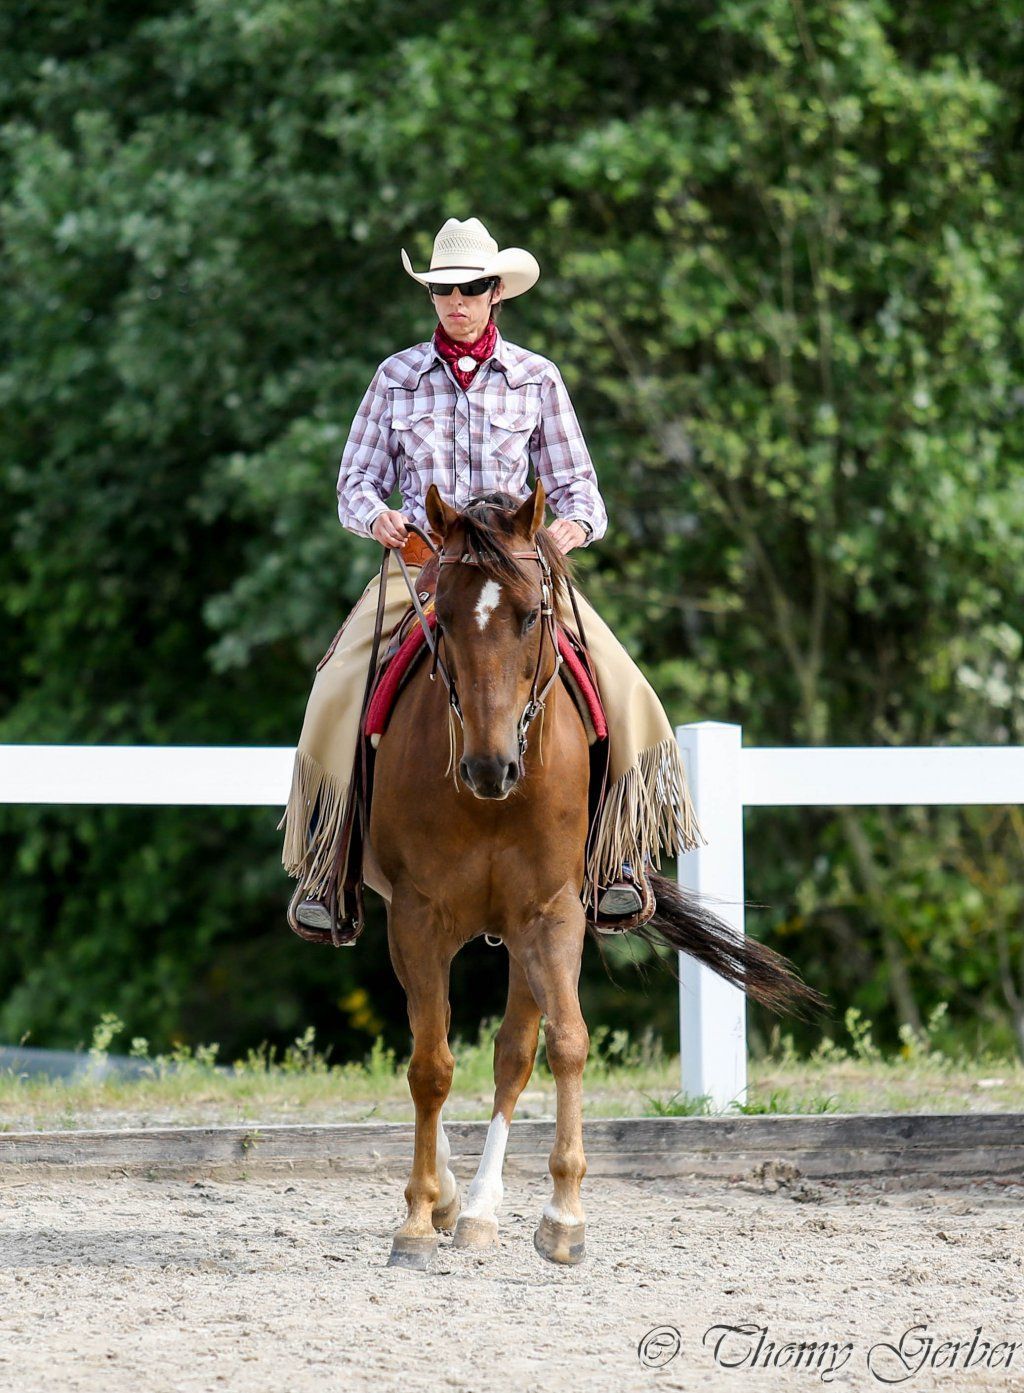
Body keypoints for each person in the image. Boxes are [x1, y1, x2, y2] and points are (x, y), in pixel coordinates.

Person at [279, 217, 701, 942]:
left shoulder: (537, 378)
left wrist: (568, 530)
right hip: (425, 566)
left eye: (470, 288)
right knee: (337, 683)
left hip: (515, 568)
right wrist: (377, 517)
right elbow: (354, 482)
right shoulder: (396, 377)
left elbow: (581, 490)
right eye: (442, 290)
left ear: (495, 292)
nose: (456, 301)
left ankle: (616, 860)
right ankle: (329, 865)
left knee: (622, 682)